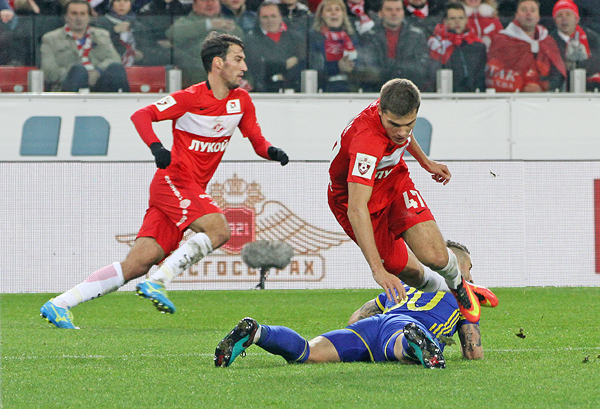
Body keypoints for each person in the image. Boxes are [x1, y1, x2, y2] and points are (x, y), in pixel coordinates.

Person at [40, 32, 290, 329]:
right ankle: (158, 281)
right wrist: (157, 148)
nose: (244, 67)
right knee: (219, 229)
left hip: (187, 190)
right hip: (174, 181)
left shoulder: (241, 101)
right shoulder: (190, 97)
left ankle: (60, 304)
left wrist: (272, 152)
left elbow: (256, 140)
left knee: (137, 263)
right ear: (217, 63)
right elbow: (141, 115)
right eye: (238, 59)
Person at [327, 78, 481, 323]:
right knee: (411, 273)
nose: (401, 132)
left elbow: (404, 136)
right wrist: (378, 270)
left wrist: (426, 162)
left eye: (409, 124)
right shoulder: (366, 143)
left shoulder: (393, 109)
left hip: (394, 182)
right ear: (380, 111)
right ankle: (444, 294)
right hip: (355, 202)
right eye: (394, 125)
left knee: (436, 257)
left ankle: (459, 286)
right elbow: (357, 208)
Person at [215, 241, 491, 369]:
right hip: (406, 328)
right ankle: (416, 344)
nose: (471, 275)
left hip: (373, 326)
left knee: (308, 352)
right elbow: (473, 352)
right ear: (459, 269)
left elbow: (357, 317)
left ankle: (258, 332)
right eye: (469, 268)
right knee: (403, 348)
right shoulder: (465, 298)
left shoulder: (406, 285)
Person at [41, 0, 130, 92]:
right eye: (74, 14)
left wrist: (98, 72)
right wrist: (80, 74)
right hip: (68, 87)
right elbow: (48, 72)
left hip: (98, 84)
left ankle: (127, 101)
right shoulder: (50, 39)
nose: (79, 18)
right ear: (66, 17)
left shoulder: (102, 35)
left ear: (89, 17)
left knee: (116, 68)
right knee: (78, 71)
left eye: (83, 14)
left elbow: (115, 59)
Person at [485, 0, 566, 92]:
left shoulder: (548, 41)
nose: (528, 14)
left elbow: (557, 72)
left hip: (545, 96)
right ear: (516, 15)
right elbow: (494, 72)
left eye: (533, 10)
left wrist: (543, 87)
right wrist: (520, 86)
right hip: (511, 97)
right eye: (524, 10)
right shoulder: (502, 40)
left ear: (538, 17)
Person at [356, 0, 433, 92]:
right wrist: (398, 70)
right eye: (389, 10)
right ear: (380, 13)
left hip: (409, 91)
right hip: (376, 91)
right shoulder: (369, 36)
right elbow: (367, 70)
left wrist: (390, 69)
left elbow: (422, 69)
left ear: (403, 12)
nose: (394, 13)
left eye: (398, 9)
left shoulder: (417, 36)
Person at [167, 0, 244, 88]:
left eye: (213, 0)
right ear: (194, 5)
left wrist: (246, 80)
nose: (209, 3)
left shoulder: (229, 25)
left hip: (226, 86)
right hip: (193, 83)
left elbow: (241, 51)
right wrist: (209, 24)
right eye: (204, 0)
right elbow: (172, 33)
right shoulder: (184, 22)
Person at [245, 1, 305, 92]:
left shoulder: (295, 38)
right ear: (259, 19)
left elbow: (301, 63)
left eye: (273, 16)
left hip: (294, 89)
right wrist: (284, 65)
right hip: (264, 91)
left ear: (281, 17)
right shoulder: (250, 40)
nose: (270, 20)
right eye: (265, 17)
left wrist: (276, 71)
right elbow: (258, 68)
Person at [428, 2, 487, 92]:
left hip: (473, 96)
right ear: (445, 21)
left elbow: (481, 77)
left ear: (466, 20)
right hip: (444, 95)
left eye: (461, 18)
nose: (457, 21)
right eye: (453, 18)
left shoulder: (477, 46)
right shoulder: (436, 44)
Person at [549, 0, 600, 91]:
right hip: (560, 89)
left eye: (568, 14)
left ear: (577, 19)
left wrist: (574, 65)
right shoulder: (548, 41)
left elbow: (596, 63)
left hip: (592, 87)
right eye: (560, 15)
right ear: (554, 20)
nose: (564, 19)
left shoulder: (592, 38)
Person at [308, 0, 358, 92]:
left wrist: (351, 67)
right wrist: (337, 66)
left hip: (351, 87)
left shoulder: (353, 37)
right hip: (323, 88)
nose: (334, 13)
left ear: (343, 14)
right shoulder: (314, 37)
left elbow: (363, 65)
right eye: (329, 10)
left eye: (337, 9)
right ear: (321, 15)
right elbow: (313, 66)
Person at [92, 0, 149, 67]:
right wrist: (114, 31)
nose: (122, 4)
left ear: (131, 4)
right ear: (112, 4)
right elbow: (97, 48)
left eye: (126, 1)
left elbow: (146, 49)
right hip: (107, 66)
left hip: (133, 67)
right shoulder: (100, 22)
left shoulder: (138, 26)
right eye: (118, 1)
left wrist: (141, 55)